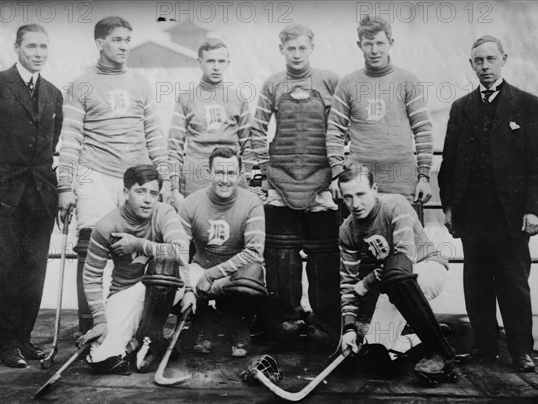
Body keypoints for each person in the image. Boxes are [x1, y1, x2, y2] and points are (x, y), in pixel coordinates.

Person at [438, 35, 538, 372]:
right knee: (476, 281)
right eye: (478, 61)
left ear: (503, 59)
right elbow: (450, 164)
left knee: (514, 282)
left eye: (491, 59)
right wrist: (449, 208)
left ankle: (521, 350)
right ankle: (484, 346)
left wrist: (533, 209)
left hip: (512, 215)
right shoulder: (461, 107)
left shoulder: (526, 104)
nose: (485, 67)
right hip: (472, 213)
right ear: (471, 64)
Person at [57, 16, 171, 334]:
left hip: (134, 180)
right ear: (100, 43)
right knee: (88, 247)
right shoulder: (81, 84)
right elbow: (71, 140)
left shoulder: (140, 84)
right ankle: (88, 326)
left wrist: (166, 180)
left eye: (127, 40)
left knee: (131, 251)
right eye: (117, 40)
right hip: (94, 172)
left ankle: (124, 324)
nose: (124, 46)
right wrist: (65, 186)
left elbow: (154, 138)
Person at [0, 24, 62, 368]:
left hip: (40, 198)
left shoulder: (52, 94)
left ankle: (24, 339)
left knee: (34, 269)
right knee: (5, 268)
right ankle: (6, 344)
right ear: (16, 47)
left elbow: (51, 142)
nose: (38, 53)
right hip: (0, 196)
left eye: (44, 47)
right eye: (31, 46)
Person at [250, 23, 341, 347]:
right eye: (291, 49)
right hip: (281, 178)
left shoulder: (330, 81)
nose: (297, 54)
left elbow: (343, 128)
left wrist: (339, 172)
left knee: (325, 253)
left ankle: (325, 321)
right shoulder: (273, 83)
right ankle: (285, 319)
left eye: (303, 48)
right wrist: (263, 171)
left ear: (312, 48)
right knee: (281, 252)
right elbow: (257, 130)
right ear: (282, 50)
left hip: (322, 178)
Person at [338, 165, 456, 385]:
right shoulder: (347, 230)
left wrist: (368, 281)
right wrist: (350, 328)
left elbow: (404, 259)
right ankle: (416, 336)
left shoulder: (395, 205)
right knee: (375, 354)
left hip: (427, 269)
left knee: (396, 278)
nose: (355, 204)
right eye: (348, 197)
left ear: (374, 188)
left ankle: (442, 353)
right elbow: (348, 285)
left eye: (361, 194)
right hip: (392, 285)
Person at [78, 165, 193, 374]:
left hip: (165, 288)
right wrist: (100, 320)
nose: (148, 199)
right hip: (126, 293)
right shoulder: (107, 225)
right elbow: (92, 275)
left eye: (153, 193)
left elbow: (182, 251)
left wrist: (137, 244)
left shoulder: (163, 212)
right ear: (125, 193)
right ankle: (147, 341)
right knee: (101, 359)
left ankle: (150, 336)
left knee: (162, 263)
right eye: (140, 191)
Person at [326, 15, 434, 204]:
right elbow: (335, 130)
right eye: (368, 44)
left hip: (402, 178)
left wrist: (424, 176)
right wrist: (336, 174)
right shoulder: (348, 83)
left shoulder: (407, 80)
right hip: (359, 180)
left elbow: (423, 130)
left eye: (380, 43)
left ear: (390, 43)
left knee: (403, 230)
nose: (374, 50)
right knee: (359, 232)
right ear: (359, 45)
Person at [178, 147, 267, 357]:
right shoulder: (191, 203)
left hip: (233, 275)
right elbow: (179, 251)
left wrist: (212, 275)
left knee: (252, 274)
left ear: (239, 175)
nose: (225, 180)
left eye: (230, 173)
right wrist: (189, 288)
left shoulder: (252, 203)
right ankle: (205, 320)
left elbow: (254, 253)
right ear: (210, 173)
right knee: (171, 279)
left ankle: (236, 325)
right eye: (219, 173)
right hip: (201, 268)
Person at [167, 37, 254, 209]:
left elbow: (248, 145)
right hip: (195, 179)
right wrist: (175, 189)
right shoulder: (186, 98)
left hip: (230, 179)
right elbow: (174, 146)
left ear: (228, 63)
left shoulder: (238, 98)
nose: (216, 67)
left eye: (221, 61)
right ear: (200, 62)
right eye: (210, 61)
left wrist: (246, 178)